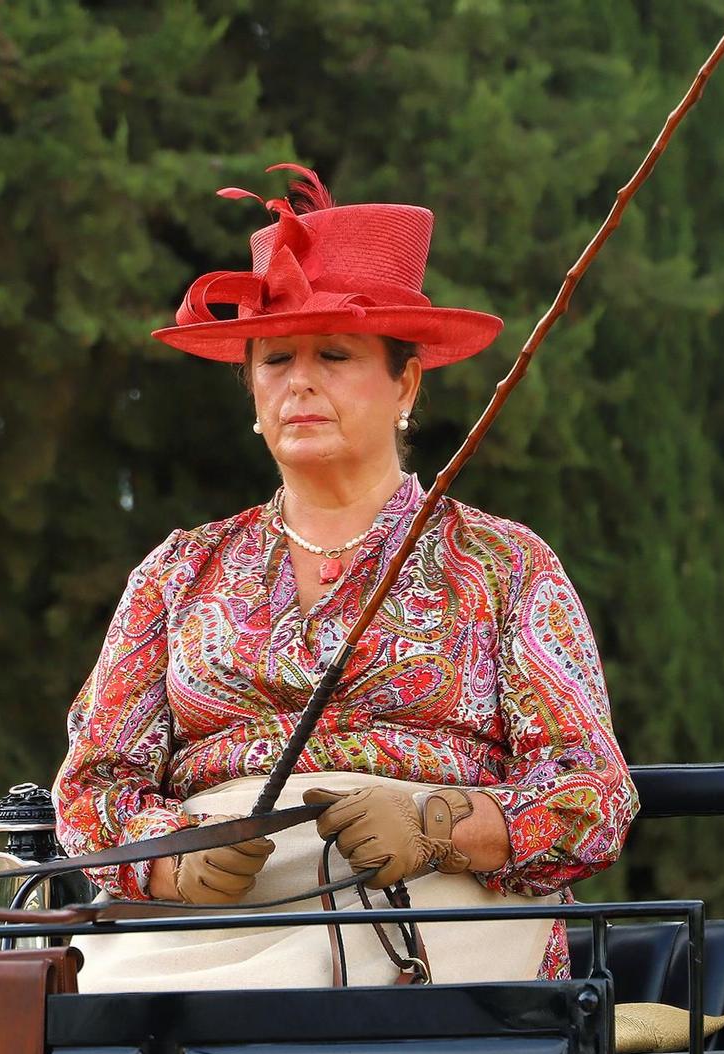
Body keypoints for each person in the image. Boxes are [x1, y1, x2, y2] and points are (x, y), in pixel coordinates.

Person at [52, 164, 638, 991]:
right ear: (250, 392)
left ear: (406, 380)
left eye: (334, 354)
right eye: (274, 360)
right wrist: (174, 868)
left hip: (432, 905)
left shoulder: (504, 566)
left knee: (272, 1004)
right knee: (78, 1009)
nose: (299, 383)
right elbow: (92, 785)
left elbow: (594, 794)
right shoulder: (177, 573)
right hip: (203, 920)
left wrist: (440, 826)